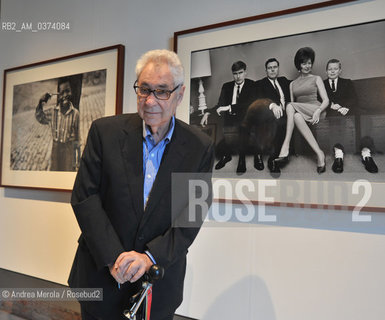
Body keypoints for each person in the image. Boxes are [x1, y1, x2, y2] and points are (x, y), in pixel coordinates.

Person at [68, 49, 215, 320]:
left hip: (158, 286)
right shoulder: (105, 132)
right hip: (101, 279)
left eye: (162, 91)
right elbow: (85, 197)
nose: (150, 101)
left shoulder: (199, 147)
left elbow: (192, 215)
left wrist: (150, 257)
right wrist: (114, 257)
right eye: (144, 89)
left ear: (180, 95)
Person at [275, 47, 329, 173]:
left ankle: (285, 146)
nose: (307, 66)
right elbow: (293, 107)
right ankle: (320, 153)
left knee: (290, 105)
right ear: (299, 65)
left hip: (315, 109)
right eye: (304, 63)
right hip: (301, 112)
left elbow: (326, 100)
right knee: (295, 116)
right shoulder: (292, 84)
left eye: (309, 63)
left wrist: (318, 110)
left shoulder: (316, 78)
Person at [237, 58, 291, 176]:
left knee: (284, 121)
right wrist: (272, 105)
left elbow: (298, 86)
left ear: (278, 68)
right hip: (269, 114)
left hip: (288, 113)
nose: (272, 70)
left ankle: (276, 155)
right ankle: (272, 160)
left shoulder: (284, 81)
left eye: (275, 67)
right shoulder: (260, 84)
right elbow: (258, 100)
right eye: (270, 68)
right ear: (266, 70)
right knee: (275, 122)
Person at [324, 58, 378, 173]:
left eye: (335, 69)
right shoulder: (322, 84)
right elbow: (319, 98)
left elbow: (353, 97)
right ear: (326, 71)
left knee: (362, 114)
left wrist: (345, 107)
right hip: (332, 110)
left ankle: (366, 152)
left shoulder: (347, 82)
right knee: (334, 118)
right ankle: (338, 154)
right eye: (330, 69)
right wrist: (330, 105)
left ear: (340, 70)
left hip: (347, 108)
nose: (332, 71)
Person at [209, 61, 256, 170]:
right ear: (232, 74)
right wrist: (208, 112)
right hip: (229, 116)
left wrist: (230, 107)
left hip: (244, 116)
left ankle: (242, 158)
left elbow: (249, 104)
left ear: (245, 73)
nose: (238, 76)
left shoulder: (251, 84)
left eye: (240, 73)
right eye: (235, 73)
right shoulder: (227, 86)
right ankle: (226, 155)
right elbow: (220, 105)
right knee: (218, 119)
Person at [35, 75, 82, 171]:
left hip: (69, 150)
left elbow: (77, 138)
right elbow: (40, 117)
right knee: (55, 172)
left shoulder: (75, 113)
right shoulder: (53, 112)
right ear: (58, 95)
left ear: (72, 91)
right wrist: (40, 102)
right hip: (56, 150)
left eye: (67, 91)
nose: (65, 95)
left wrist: (77, 161)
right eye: (62, 92)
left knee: (68, 173)